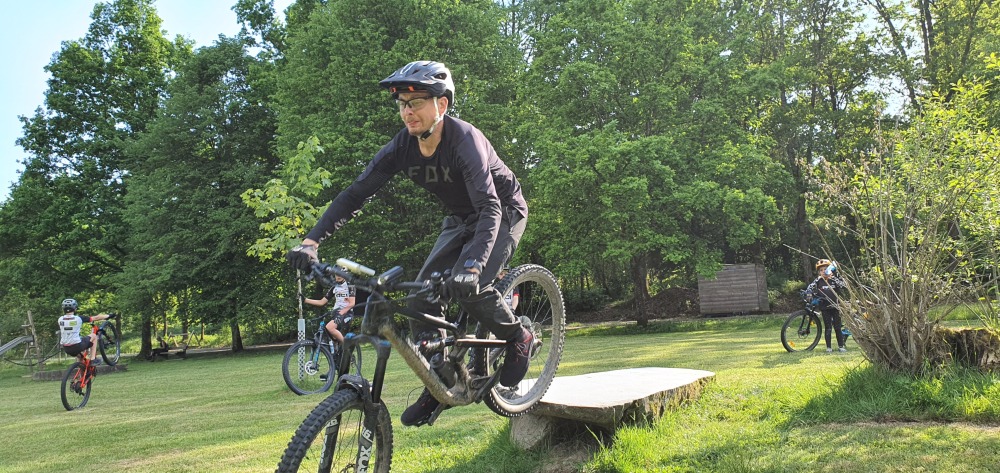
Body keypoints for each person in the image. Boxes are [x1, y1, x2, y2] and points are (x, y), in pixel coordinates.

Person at [286, 60, 531, 427]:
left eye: (416, 102)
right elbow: (355, 193)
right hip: (460, 219)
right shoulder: (402, 147)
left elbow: (489, 207)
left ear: (442, 104)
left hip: (503, 211)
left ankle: (518, 337)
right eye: (402, 103)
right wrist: (311, 241)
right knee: (421, 298)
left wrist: (472, 267)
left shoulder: (465, 140)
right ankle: (441, 381)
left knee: (471, 286)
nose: (407, 111)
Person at [303, 267, 356, 350]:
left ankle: (347, 347)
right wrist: (305, 300)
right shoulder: (334, 287)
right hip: (336, 313)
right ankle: (336, 351)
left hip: (346, 313)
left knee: (330, 327)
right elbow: (322, 302)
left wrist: (340, 314)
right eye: (337, 274)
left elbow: (352, 303)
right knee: (328, 332)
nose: (338, 276)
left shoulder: (350, 286)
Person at [806, 259, 847, 353]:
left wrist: (835, 275)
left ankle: (841, 346)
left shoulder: (833, 279)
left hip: (835, 307)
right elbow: (810, 287)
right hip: (825, 308)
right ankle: (829, 347)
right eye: (821, 270)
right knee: (828, 328)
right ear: (819, 272)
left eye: (825, 269)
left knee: (837, 327)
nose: (824, 271)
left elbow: (843, 286)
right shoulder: (818, 280)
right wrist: (809, 294)